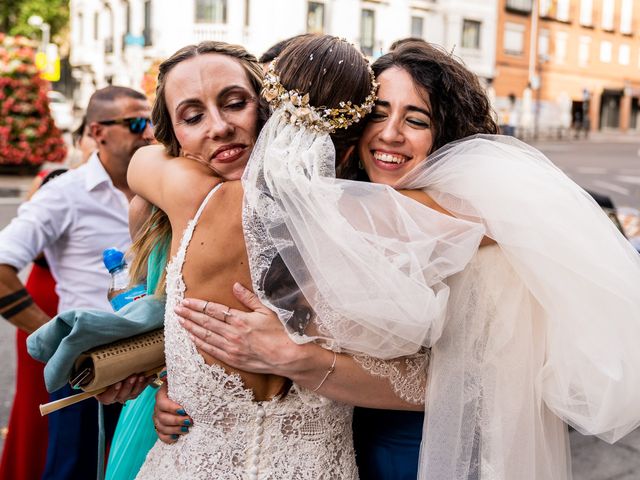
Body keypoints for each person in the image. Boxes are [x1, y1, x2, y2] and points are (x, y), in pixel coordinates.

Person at [168, 41, 640, 480]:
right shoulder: (333, 210)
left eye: (416, 120)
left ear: (446, 132)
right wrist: (181, 384)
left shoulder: (471, 229)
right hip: (336, 448)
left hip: (421, 452)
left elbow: (477, 385)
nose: (390, 135)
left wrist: (298, 358)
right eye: (377, 113)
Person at [127, 34, 484, 479]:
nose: (218, 127)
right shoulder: (189, 200)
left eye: (235, 103)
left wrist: (297, 354)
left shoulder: (388, 219)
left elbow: (459, 381)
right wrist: (170, 384)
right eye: (193, 115)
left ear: (270, 105)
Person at [0, 85, 154, 479]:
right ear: (99, 131)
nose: (149, 131)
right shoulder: (65, 193)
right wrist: (59, 340)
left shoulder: (158, 187)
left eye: (153, 120)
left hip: (154, 362)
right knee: (75, 468)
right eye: (137, 122)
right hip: (90, 366)